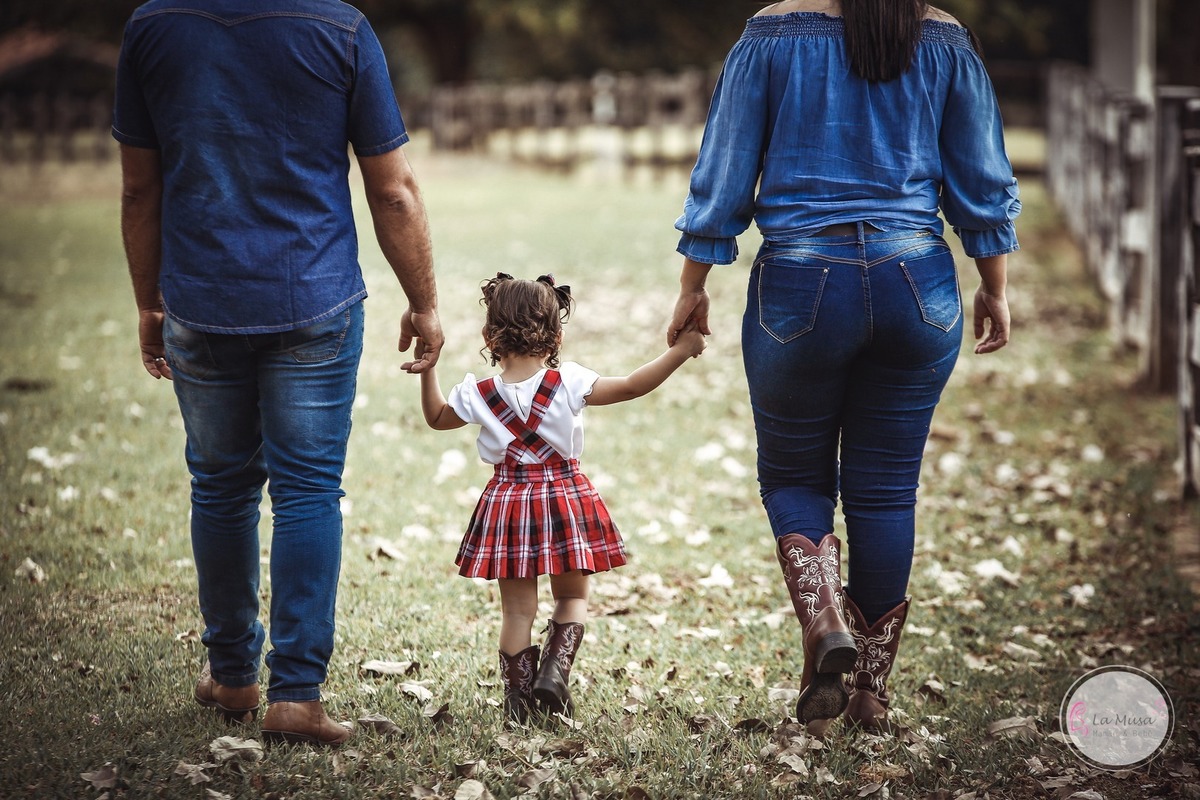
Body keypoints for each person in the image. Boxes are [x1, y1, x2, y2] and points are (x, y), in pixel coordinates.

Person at [669, 0, 1018, 737]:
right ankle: (868, 694)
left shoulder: (771, 34)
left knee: (795, 478)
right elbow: (981, 178)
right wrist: (995, 284)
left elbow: (724, 169)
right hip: (917, 281)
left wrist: (694, 285)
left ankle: (823, 614)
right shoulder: (946, 40)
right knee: (887, 493)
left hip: (800, 284)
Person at [113, 0, 442, 747]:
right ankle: (296, 695)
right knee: (308, 489)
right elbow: (392, 187)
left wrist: (147, 302)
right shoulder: (340, 29)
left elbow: (139, 186)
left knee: (221, 485)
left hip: (199, 299)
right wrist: (424, 303)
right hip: (314, 299)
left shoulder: (153, 28)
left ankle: (232, 676)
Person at [412, 273, 705, 723]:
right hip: (566, 498)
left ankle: (518, 701)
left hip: (508, 501)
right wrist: (680, 352)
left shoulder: (477, 393)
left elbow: (435, 417)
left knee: (516, 610)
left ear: (489, 336)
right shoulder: (568, 382)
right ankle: (554, 672)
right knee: (571, 598)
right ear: (557, 335)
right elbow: (631, 385)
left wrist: (428, 364)